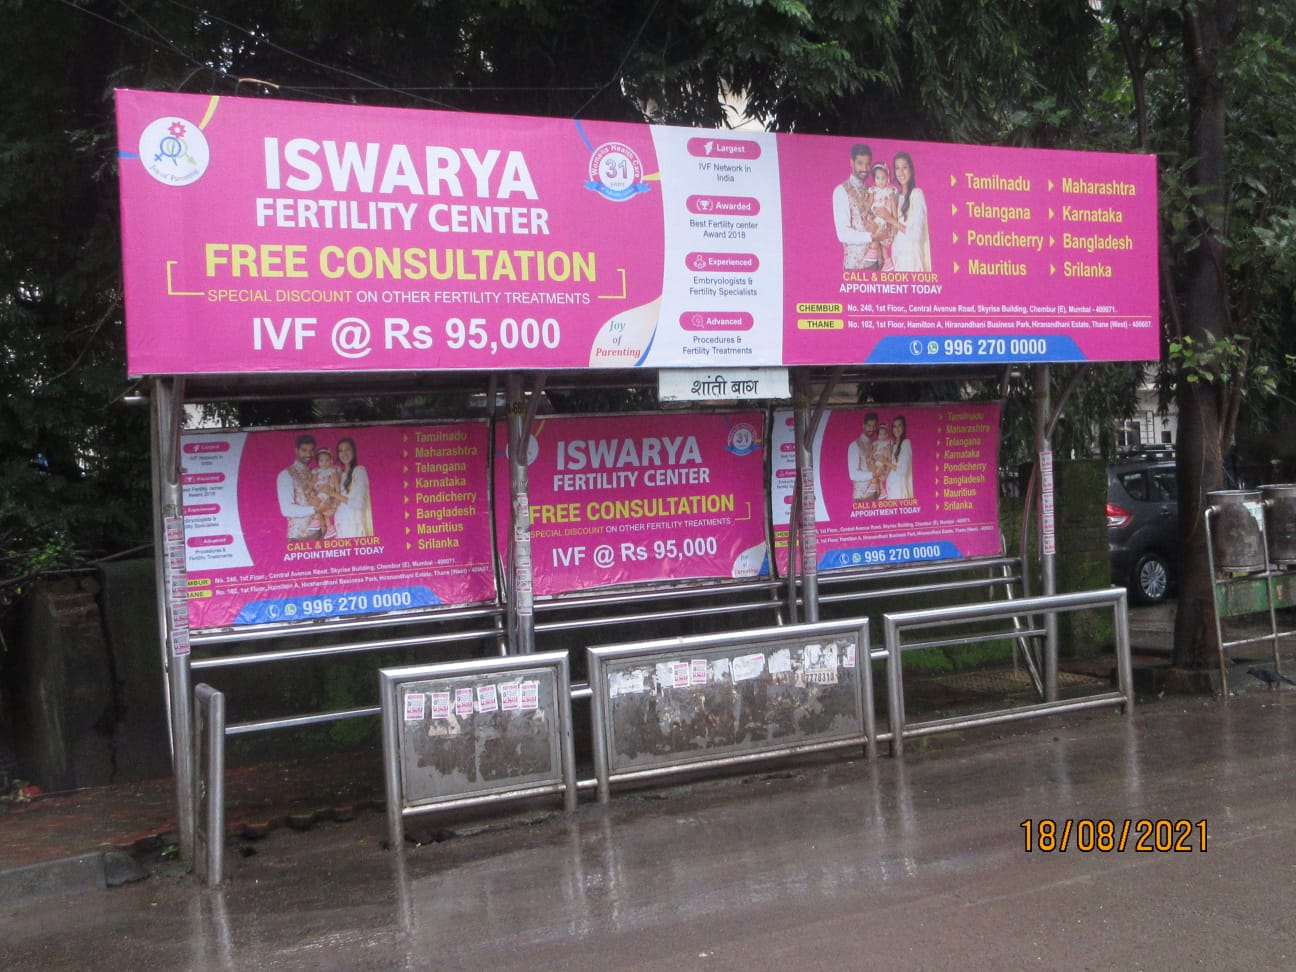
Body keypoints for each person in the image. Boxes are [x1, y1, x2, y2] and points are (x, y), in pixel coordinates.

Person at [831, 144, 880, 270]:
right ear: (851, 162)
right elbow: (843, 234)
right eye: (860, 163)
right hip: (854, 268)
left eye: (868, 164)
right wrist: (871, 237)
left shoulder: (872, 191)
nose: (864, 168)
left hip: (876, 264)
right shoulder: (841, 191)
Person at [882, 152, 931, 273]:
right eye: (897, 168)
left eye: (904, 167)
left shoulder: (917, 194)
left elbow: (916, 235)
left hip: (912, 263)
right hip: (898, 261)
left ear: (911, 169)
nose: (901, 172)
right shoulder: (895, 197)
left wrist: (890, 219)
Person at [276, 434, 324, 540]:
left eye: (311, 450)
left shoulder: (315, 473)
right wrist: (315, 509)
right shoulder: (286, 475)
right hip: (298, 537)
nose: (308, 454)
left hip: (320, 533)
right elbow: (286, 509)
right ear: (296, 450)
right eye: (304, 450)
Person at [330, 436, 374, 538]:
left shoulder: (359, 471)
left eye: (347, 449)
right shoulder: (338, 474)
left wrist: (333, 493)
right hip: (340, 524)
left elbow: (359, 504)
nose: (344, 453)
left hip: (353, 525)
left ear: (354, 451)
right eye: (340, 450)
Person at [866, 162, 898, 271]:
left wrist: (895, 224)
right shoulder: (873, 190)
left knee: (881, 236)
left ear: (888, 178)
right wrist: (866, 212)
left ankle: (884, 258)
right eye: (878, 178)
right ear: (874, 179)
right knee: (871, 228)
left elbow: (894, 209)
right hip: (875, 216)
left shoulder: (890, 191)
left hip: (885, 218)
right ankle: (881, 257)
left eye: (883, 178)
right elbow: (870, 202)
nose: (881, 181)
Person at [847, 413, 881, 501]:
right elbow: (853, 474)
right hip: (861, 497)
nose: (872, 429)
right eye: (869, 425)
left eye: (874, 426)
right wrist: (872, 475)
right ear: (864, 426)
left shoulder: (875, 445)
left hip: (876, 495)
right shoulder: (854, 446)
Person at [313, 447, 342, 539]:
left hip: (327, 493)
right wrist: (313, 491)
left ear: (331, 461)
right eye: (321, 461)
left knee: (319, 508)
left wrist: (337, 497)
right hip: (319, 492)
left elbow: (337, 485)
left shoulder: (332, 471)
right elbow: (313, 483)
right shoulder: (316, 471)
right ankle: (327, 528)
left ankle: (323, 525)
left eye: (326, 460)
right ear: (318, 462)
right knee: (319, 511)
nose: (324, 463)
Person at [885, 416, 914, 500]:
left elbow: (903, 471)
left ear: (904, 427)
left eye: (899, 426)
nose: (896, 429)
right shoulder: (893, 446)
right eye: (894, 426)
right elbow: (889, 468)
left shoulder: (906, 443)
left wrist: (885, 461)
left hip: (899, 489)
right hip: (891, 488)